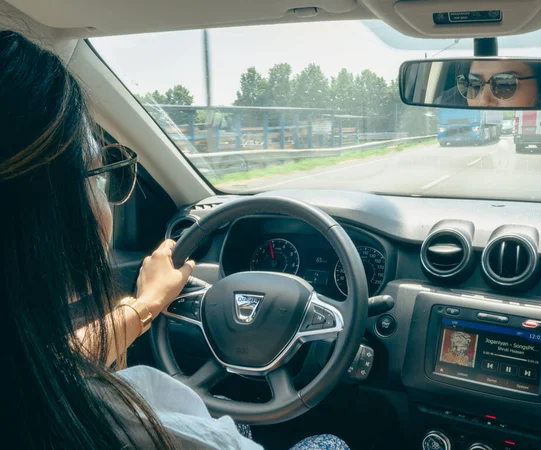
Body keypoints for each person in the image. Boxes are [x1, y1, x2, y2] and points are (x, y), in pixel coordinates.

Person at [2, 30, 349, 450]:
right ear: (45, 215)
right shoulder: (137, 428)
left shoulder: (26, 377)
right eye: (99, 173)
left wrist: (147, 303)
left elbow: (58, 361)